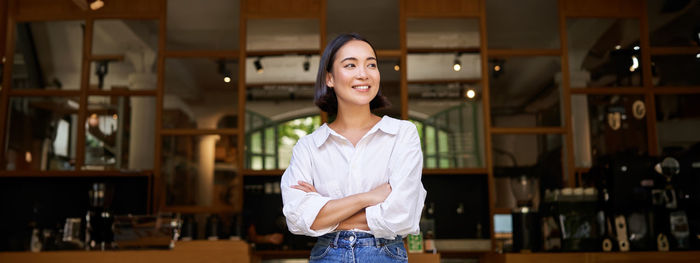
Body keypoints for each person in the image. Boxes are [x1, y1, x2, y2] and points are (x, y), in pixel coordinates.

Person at [280, 33, 427, 263]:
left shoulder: (402, 134)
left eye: (371, 64)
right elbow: (297, 218)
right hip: (327, 256)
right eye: (351, 65)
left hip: (385, 255)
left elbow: (402, 215)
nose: (363, 74)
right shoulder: (308, 146)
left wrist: (324, 213)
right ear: (329, 78)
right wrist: (368, 197)